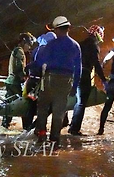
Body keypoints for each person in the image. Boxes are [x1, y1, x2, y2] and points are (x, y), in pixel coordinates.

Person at [34, 16, 81, 146]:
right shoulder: (75, 46)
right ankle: (55, 140)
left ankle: (42, 135)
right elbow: (78, 69)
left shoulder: (51, 44)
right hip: (66, 81)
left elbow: (39, 62)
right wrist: (74, 87)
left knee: (43, 107)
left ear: (58, 29)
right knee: (59, 111)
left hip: (50, 79)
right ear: (67, 28)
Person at [69, 25, 107, 136]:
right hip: (84, 75)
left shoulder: (80, 44)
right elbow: (96, 64)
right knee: (81, 103)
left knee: (77, 101)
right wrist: (104, 80)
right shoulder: (93, 46)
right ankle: (75, 129)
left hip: (75, 74)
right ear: (97, 36)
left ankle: (72, 126)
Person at [1, 32, 36, 129]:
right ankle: (26, 127)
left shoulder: (16, 50)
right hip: (15, 83)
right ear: (24, 42)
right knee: (23, 105)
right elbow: (18, 67)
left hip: (11, 82)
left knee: (10, 105)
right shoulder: (19, 51)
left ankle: (5, 126)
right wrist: (24, 76)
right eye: (29, 45)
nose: (29, 47)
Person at [23, 31, 57, 130]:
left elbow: (32, 65)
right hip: (39, 84)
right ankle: (36, 128)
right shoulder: (47, 51)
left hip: (31, 82)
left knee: (31, 106)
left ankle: (27, 129)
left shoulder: (36, 50)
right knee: (48, 107)